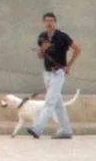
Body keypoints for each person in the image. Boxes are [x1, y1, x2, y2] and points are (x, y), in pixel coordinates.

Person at [28, 11, 78, 139]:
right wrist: (43, 49)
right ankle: (66, 130)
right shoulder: (42, 37)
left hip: (58, 72)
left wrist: (69, 65)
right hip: (47, 73)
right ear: (43, 23)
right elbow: (40, 56)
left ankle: (38, 128)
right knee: (57, 103)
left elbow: (77, 49)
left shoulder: (62, 37)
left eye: (51, 21)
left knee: (49, 101)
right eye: (46, 21)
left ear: (55, 22)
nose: (49, 23)